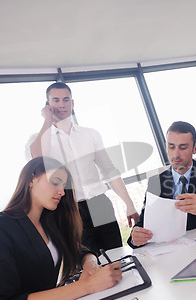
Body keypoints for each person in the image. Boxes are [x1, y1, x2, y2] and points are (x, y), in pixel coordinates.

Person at [0, 157, 122, 300]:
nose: (62, 192)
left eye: (64, 186)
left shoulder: (49, 222)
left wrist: (90, 265)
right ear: (31, 179)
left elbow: (82, 250)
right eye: (56, 182)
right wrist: (88, 285)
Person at [25, 82, 139, 254]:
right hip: (68, 208)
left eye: (66, 99)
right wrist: (48, 120)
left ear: (72, 103)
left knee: (118, 257)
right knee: (89, 266)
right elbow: (37, 158)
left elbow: (109, 170)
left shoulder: (90, 134)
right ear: (47, 105)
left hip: (100, 204)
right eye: (55, 100)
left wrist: (129, 204)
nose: (62, 104)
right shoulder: (38, 139)